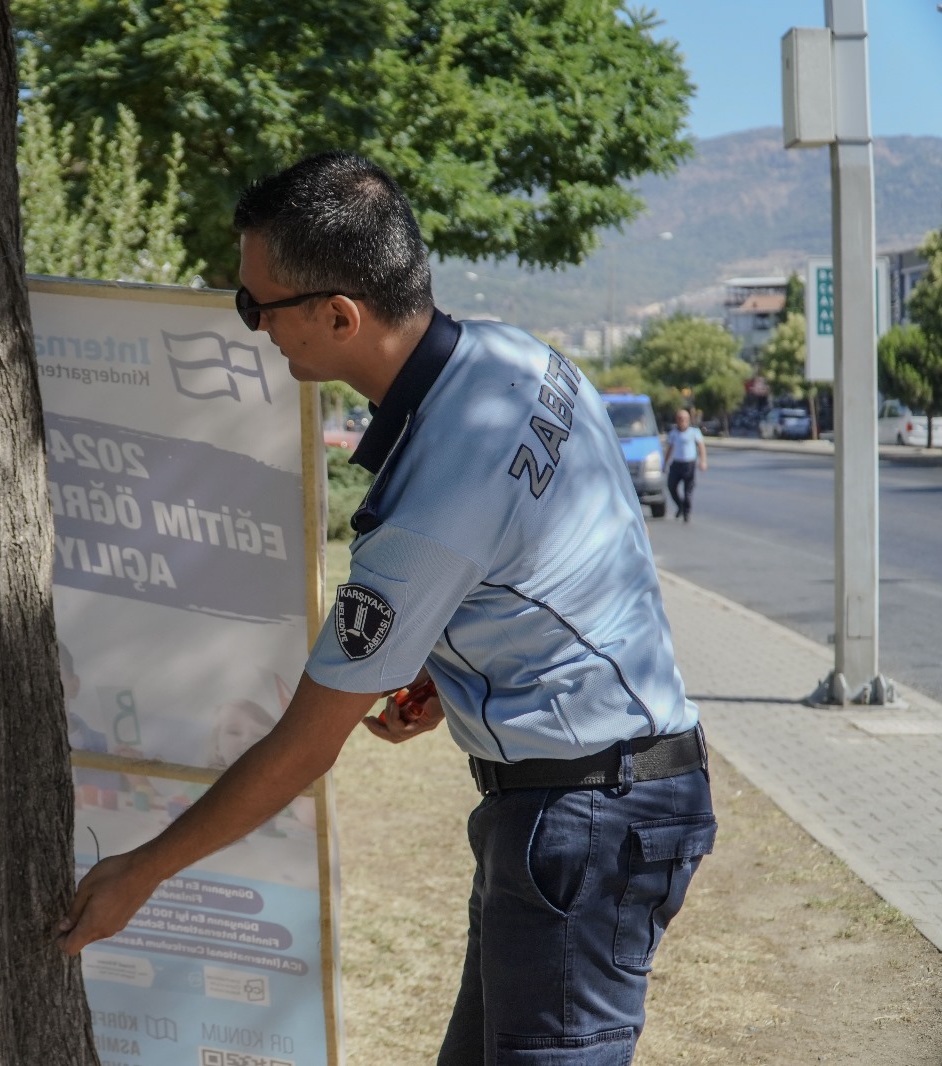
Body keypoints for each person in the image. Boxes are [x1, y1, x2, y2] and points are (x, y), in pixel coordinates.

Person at [56, 151, 715, 1065]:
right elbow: (558, 547)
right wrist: (452, 673)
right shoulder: (517, 358)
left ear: (338, 313)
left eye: (258, 307)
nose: (254, 331)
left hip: (587, 823)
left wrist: (139, 873)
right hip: (590, 798)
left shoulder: (426, 507)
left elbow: (306, 745)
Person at [663, 409, 707, 522]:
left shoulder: (694, 432)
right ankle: (680, 506)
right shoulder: (673, 433)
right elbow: (669, 449)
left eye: (685, 419)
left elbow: (701, 446)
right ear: (677, 420)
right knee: (671, 486)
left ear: (688, 420)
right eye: (680, 419)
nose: (682, 421)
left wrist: (703, 461)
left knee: (688, 491)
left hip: (689, 464)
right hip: (677, 464)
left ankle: (686, 513)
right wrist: (665, 463)